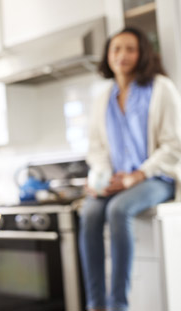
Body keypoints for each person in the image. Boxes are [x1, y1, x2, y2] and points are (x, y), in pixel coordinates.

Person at [80, 27, 181, 311]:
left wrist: (137, 175)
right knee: (88, 212)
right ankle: (96, 304)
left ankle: (118, 305)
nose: (122, 55)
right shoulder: (103, 98)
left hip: (156, 178)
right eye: (116, 49)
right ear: (108, 55)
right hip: (118, 181)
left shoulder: (161, 88)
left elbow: (174, 145)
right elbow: (97, 149)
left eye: (130, 49)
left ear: (142, 54)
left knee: (118, 210)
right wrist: (99, 179)